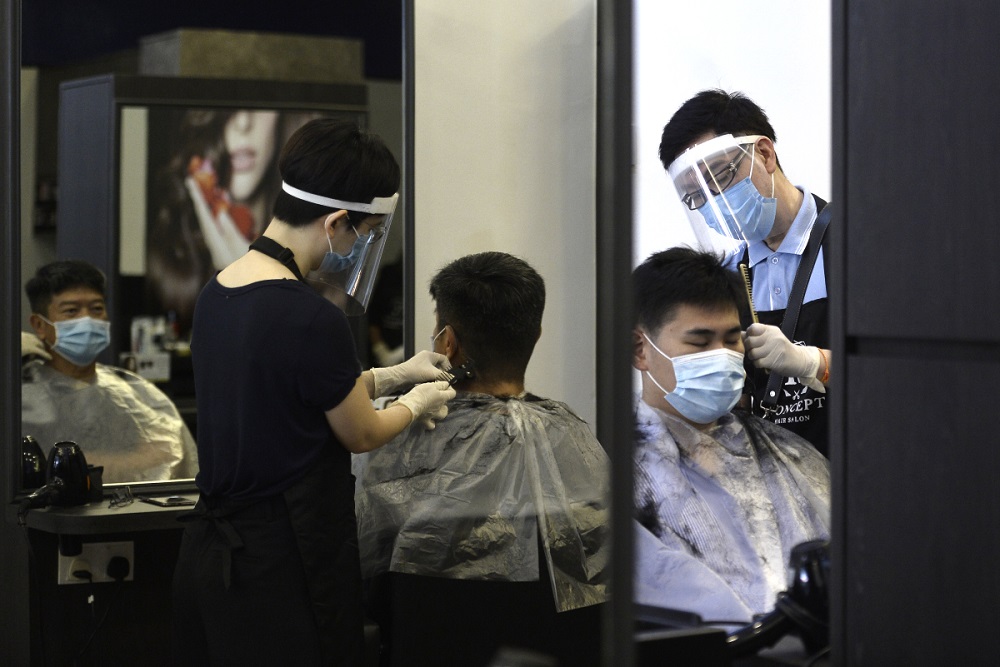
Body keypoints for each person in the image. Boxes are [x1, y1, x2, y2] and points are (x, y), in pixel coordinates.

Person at [171, 118, 456, 666]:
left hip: (209, 562)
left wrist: (394, 374)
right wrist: (414, 402)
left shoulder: (219, 291)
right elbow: (360, 431)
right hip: (280, 568)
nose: (361, 246)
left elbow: (286, 398)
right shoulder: (308, 316)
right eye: (365, 235)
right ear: (337, 223)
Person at [354, 252, 609, 652]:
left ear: (447, 342)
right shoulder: (575, 437)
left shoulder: (400, 432)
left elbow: (367, 574)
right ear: (536, 334)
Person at [631, 247, 830, 622]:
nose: (721, 355)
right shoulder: (619, 469)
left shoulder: (784, 451)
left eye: (731, 339)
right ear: (640, 349)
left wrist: (813, 363)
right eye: (699, 342)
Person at [659, 89, 833, 455]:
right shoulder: (729, 275)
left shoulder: (858, 247)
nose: (713, 202)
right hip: (777, 483)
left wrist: (813, 362)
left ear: (765, 154)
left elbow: (905, 372)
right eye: (696, 197)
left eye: (720, 177)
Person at [21, 260, 198, 482]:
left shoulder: (130, 389)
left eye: (96, 308)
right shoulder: (21, 395)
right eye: (71, 311)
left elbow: (168, 455)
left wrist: (83, 462)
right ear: (39, 325)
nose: (87, 319)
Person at [146, 109, 316, 338]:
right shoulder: (173, 267)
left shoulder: (319, 270)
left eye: (260, 107)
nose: (244, 123)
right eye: (231, 112)